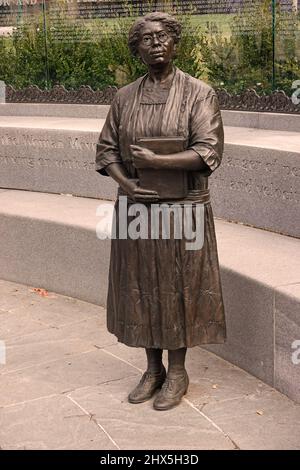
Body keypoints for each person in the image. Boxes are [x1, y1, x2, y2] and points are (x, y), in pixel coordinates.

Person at [95, 11, 226, 411]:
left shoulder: (199, 93)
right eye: (146, 39)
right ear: (137, 50)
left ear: (174, 42)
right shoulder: (124, 97)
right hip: (137, 208)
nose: (155, 43)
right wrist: (128, 184)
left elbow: (208, 150)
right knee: (140, 287)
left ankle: (179, 371)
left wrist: (157, 161)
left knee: (179, 287)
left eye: (161, 36)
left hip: (183, 208)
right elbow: (107, 150)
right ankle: (152, 369)